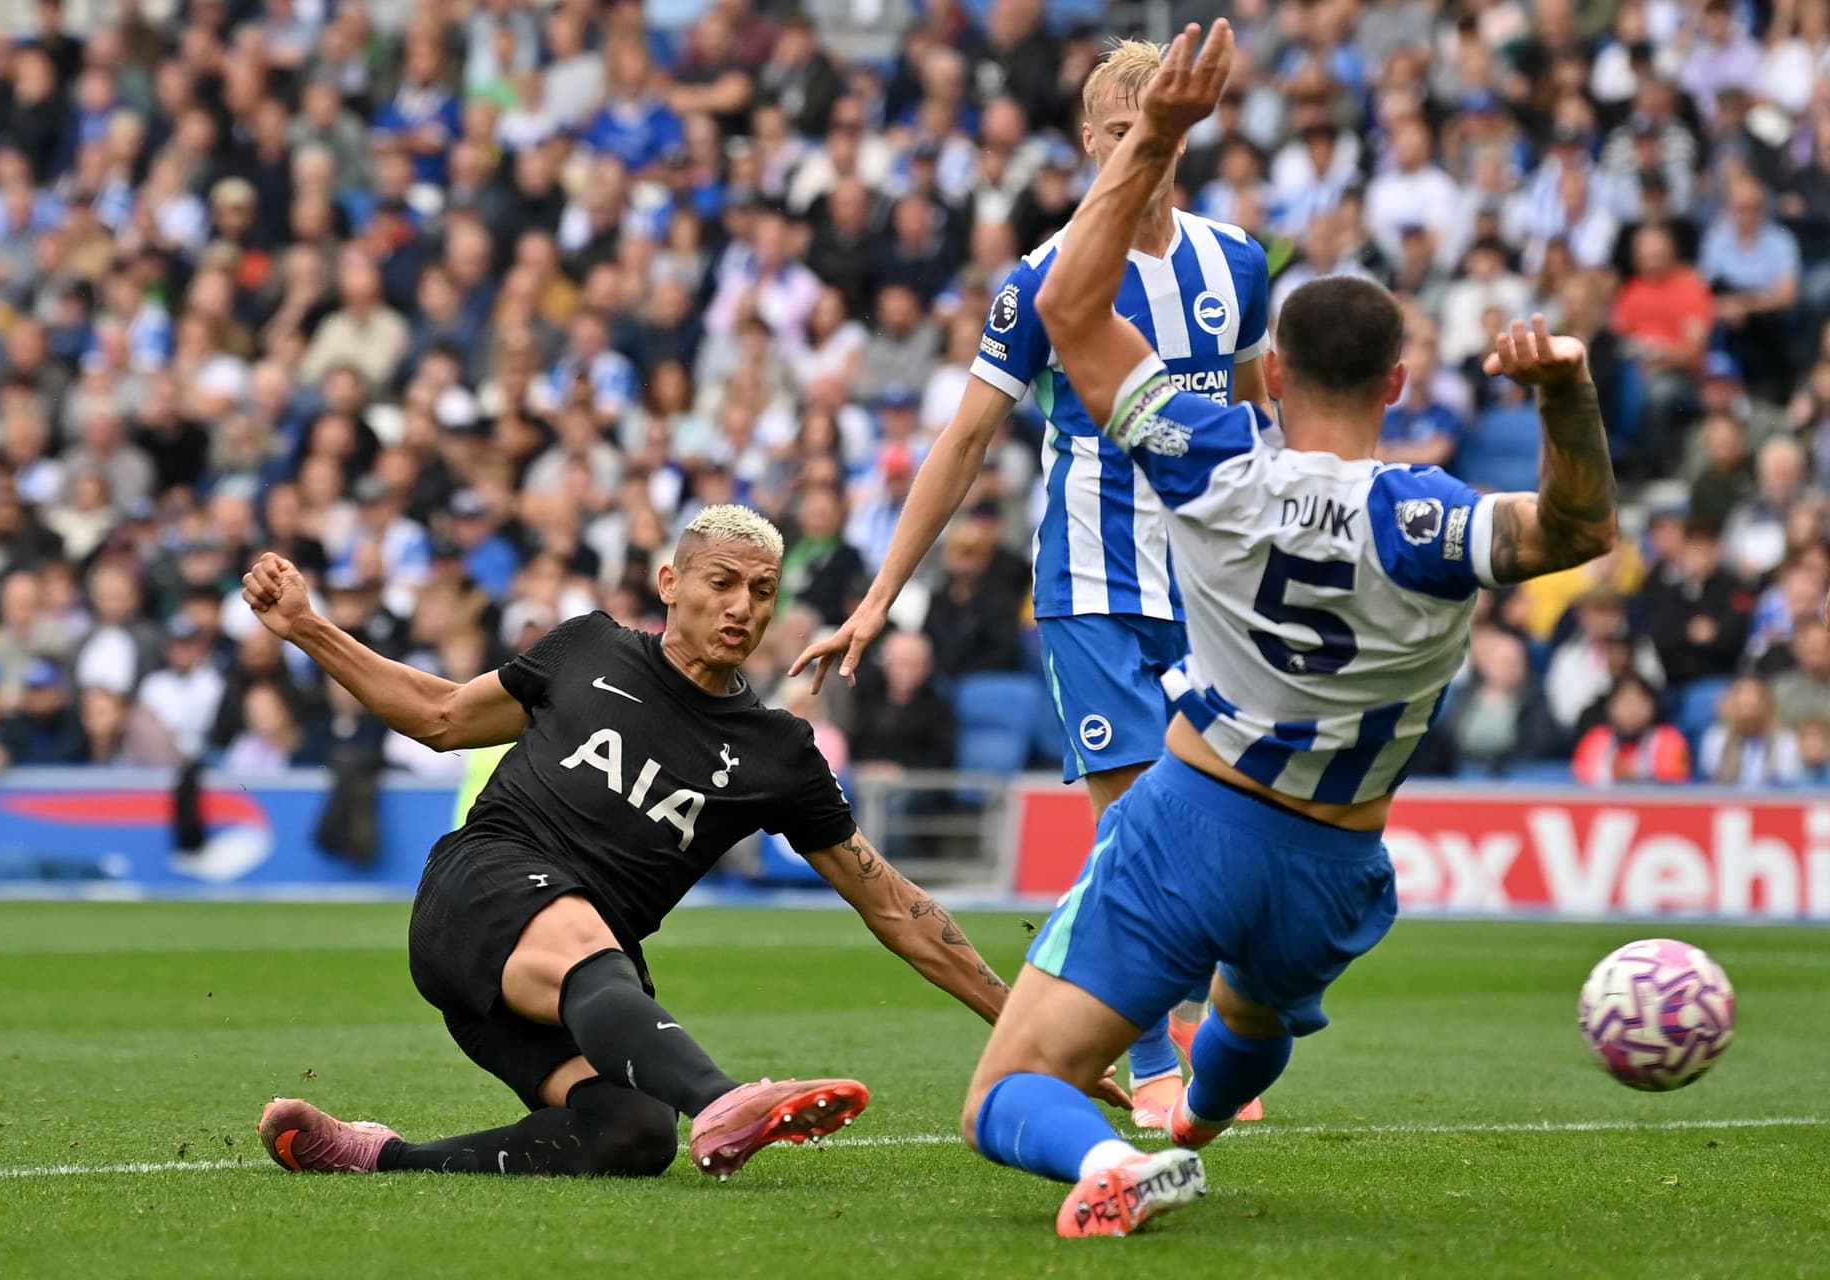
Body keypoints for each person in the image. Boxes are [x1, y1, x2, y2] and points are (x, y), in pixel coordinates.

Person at [954, 23, 1617, 1238]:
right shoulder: (1438, 517)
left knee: (1007, 1089)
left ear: (1268, 376)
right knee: (1254, 1018)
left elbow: (1067, 303)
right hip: (1335, 865)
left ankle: (1108, 1162)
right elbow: (1577, 526)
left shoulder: (1217, 468)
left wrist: (1152, 136)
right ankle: (1199, 1120)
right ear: (1399, 383)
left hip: (1194, 823)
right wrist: (1567, 395)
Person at [241, 505, 1085, 1183]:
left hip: (574, 981)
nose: (743, 607)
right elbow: (438, 717)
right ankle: (728, 1100)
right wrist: (308, 628)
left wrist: (1026, 1028)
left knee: (632, 1135)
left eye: (762, 591)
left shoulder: (778, 753)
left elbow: (895, 908)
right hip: (480, 889)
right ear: (671, 582)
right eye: (723, 583)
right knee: (585, 942)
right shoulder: (588, 648)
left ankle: (373, 1155)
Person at [794, 33, 1273, 1130]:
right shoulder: (1045, 278)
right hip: (1094, 585)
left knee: (1219, 830)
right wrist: (877, 598)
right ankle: (1154, 1064)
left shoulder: (1235, 262)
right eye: (1117, 131)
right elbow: (962, 441)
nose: (1138, 148)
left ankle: (1179, 1031)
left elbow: (1255, 424)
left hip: (1209, 587)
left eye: (1156, 127)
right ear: (1090, 142)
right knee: (1131, 828)